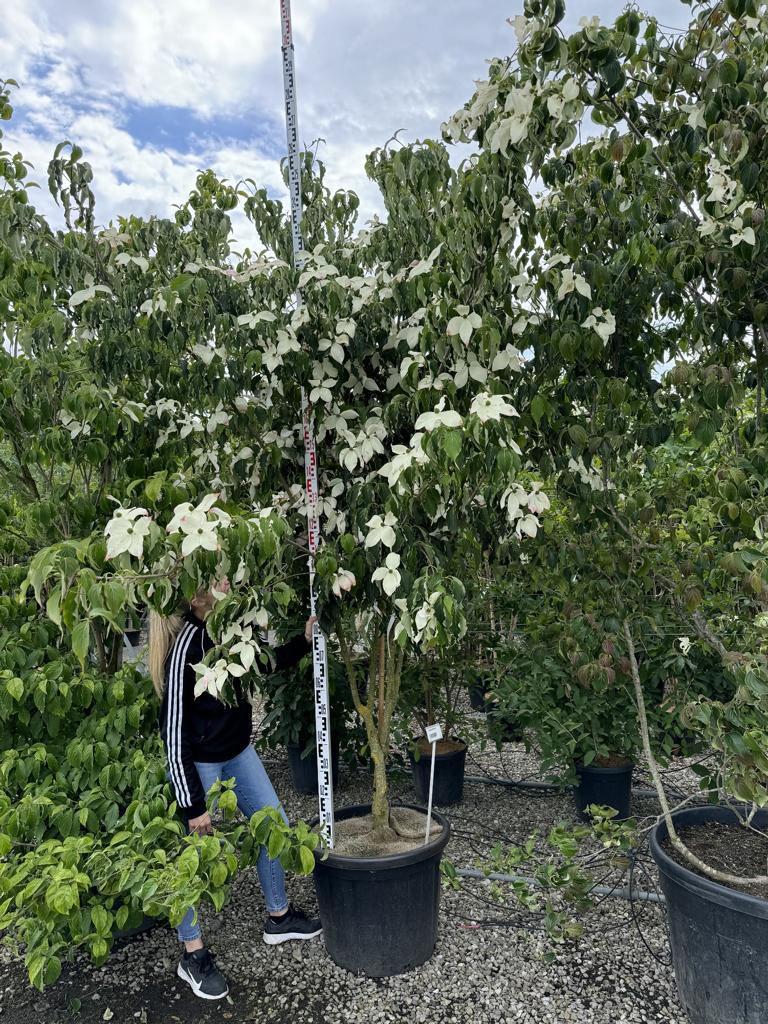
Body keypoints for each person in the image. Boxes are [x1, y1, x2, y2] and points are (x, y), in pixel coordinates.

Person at [149, 582, 322, 1000]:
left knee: (273, 824)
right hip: (204, 763)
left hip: (239, 752)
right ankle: (193, 954)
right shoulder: (187, 645)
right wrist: (193, 805)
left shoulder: (231, 628)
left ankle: (278, 916)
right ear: (195, 598)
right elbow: (173, 735)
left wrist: (302, 642)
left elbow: (261, 664)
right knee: (190, 858)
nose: (225, 582)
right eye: (214, 580)